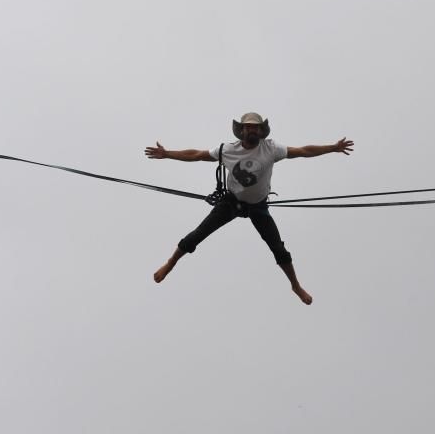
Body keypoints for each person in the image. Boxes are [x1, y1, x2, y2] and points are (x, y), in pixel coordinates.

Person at [145, 112, 353, 305]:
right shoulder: (227, 150)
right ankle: (170, 263)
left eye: (256, 128)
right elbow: (197, 155)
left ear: (262, 131)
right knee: (197, 235)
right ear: (242, 131)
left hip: (258, 207)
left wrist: (333, 148)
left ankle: (295, 286)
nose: (252, 131)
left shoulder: (271, 149)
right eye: (248, 128)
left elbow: (303, 151)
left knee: (278, 248)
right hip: (231, 202)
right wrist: (167, 153)